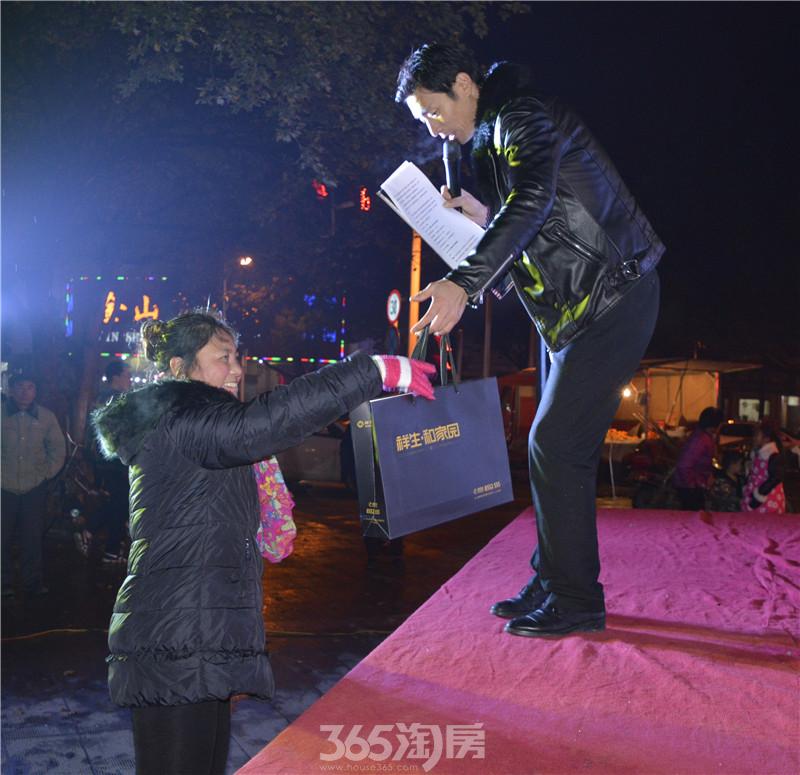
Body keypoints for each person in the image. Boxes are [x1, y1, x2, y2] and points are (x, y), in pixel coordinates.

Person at [395, 43, 664, 637]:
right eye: (424, 122)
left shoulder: (521, 114)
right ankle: (553, 577)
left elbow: (535, 199)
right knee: (553, 451)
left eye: (434, 111)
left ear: (464, 85)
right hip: (573, 308)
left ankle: (575, 599)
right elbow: (539, 206)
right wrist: (481, 215)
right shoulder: (499, 124)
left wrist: (464, 282)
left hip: (611, 296)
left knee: (554, 443)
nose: (435, 128)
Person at [91, 312, 435, 775]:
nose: (237, 370)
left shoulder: (190, 419)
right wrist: (371, 371)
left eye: (237, 357)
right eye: (224, 358)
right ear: (178, 367)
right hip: (176, 630)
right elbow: (268, 422)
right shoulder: (182, 418)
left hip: (198, 627)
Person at [1, 371, 66, 598]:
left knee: (32, 537)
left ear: (35, 391)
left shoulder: (46, 417)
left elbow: (57, 449)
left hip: (33, 488)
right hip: (3, 487)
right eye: (20, 387)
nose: (25, 392)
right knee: (2, 537)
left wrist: (45, 474)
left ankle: (33, 583)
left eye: (30, 387)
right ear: (11, 389)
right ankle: (3, 583)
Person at [91, 360, 134, 563]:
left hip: (111, 461)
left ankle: (90, 529)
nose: (130, 379)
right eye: (127, 375)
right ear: (115, 377)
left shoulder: (105, 397)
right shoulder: (113, 400)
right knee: (119, 504)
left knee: (117, 502)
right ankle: (110, 547)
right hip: (115, 462)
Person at [671, 406, 724, 510]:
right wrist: (693, 485)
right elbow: (683, 465)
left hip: (694, 484)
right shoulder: (700, 440)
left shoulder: (704, 437)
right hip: (689, 487)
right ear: (714, 425)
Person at [742, 420, 786, 514]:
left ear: (766, 438)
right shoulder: (758, 454)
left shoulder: (772, 455)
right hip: (757, 496)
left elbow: (775, 478)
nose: (754, 437)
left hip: (768, 499)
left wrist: (757, 498)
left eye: (757, 435)